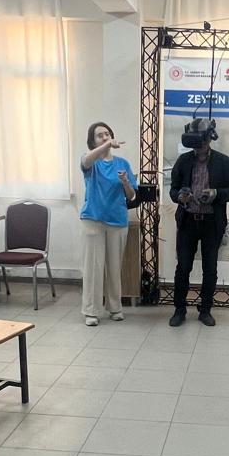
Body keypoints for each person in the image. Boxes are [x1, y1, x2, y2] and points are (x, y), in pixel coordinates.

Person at [168, 119, 229, 327]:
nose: (198, 147)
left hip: (211, 223)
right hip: (188, 221)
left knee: (210, 269)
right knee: (183, 267)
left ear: (210, 139)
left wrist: (216, 193)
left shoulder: (224, 162)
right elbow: (173, 190)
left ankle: (205, 310)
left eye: (201, 142)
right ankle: (179, 309)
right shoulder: (183, 161)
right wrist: (180, 196)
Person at [79, 121, 134, 326]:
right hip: (93, 219)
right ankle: (91, 311)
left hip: (117, 220)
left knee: (114, 267)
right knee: (93, 267)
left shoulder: (122, 163)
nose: (104, 137)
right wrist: (107, 145)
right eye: (99, 135)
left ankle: (115, 307)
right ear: (92, 141)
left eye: (107, 134)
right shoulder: (91, 161)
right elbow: (86, 161)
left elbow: (131, 195)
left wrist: (125, 181)